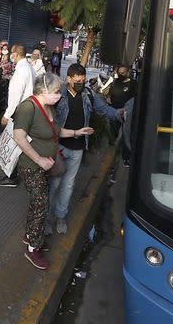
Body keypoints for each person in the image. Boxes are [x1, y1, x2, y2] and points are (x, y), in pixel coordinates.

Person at [12, 73, 94, 270]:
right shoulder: (28, 107)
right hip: (31, 166)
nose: (59, 95)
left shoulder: (47, 108)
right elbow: (18, 136)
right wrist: (39, 159)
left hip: (46, 164)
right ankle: (33, 248)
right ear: (44, 90)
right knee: (41, 203)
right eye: (57, 91)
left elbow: (56, 131)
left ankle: (32, 235)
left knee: (37, 202)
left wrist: (76, 132)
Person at [50, 63, 122, 234]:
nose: (81, 83)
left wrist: (119, 113)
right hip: (59, 147)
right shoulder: (58, 95)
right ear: (69, 79)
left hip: (78, 149)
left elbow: (103, 110)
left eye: (83, 80)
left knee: (68, 185)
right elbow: (48, 118)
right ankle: (46, 220)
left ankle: (60, 217)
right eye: (77, 81)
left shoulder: (88, 94)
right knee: (54, 184)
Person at [0, 45, 35, 188]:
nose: (10, 55)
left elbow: (16, 95)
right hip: (26, 109)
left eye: (12, 53)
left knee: (15, 144)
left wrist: (7, 115)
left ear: (17, 54)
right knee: (19, 143)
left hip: (20, 111)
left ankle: (11, 176)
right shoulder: (27, 67)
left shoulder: (21, 70)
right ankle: (13, 174)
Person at [105, 65, 137, 167]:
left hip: (127, 113)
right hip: (115, 111)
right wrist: (108, 99)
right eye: (119, 73)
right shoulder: (115, 82)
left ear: (128, 72)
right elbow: (109, 95)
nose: (121, 75)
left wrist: (127, 109)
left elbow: (135, 99)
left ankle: (126, 157)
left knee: (126, 135)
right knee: (113, 131)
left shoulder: (133, 84)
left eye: (123, 73)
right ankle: (111, 147)